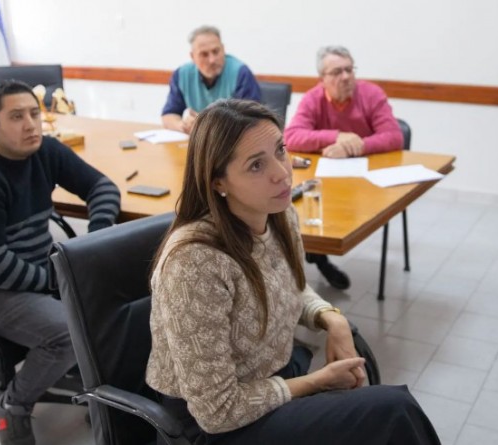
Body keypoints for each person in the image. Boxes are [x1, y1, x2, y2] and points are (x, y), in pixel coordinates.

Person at [146, 99, 439, 445]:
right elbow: (217, 412)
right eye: (256, 165)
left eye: (280, 150)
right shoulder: (194, 263)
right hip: (214, 426)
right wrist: (318, 382)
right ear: (218, 183)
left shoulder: (279, 214)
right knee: (393, 410)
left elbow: (289, 286)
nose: (282, 172)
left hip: (274, 382)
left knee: (385, 416)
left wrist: (333, 319)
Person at [0, 80, 120, 445]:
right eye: (16, 117)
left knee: (111, 297)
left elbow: (103, 188)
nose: (31, 125)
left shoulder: (44, 150)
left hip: (28, 267)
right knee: (66, 332)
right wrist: (60, 280)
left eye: (34, 113)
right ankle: (12, 405)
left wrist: (96, 234)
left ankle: (93, 383)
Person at [285, 46, 404, 290]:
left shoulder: (371, 94)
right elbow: (292, 136)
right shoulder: (313, 98)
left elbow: (394, 136)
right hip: (325, 180)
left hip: (365, 184)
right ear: (323, 78)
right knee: (300, 207)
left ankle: (317, 257)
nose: (346, 77)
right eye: (337, 72)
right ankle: (316, 257)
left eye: (350, 69)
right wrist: (336, 136)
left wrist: (355, 147)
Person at [161, 25, 261, 134]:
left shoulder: (241, 73)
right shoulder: (181, 75)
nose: (212, 60)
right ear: (193, 57)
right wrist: (184, 125)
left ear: (223, 49)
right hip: (200, 139)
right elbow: (168, 116)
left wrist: (204, 126)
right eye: (204, 54)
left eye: (216, 51)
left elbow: (249, 121)